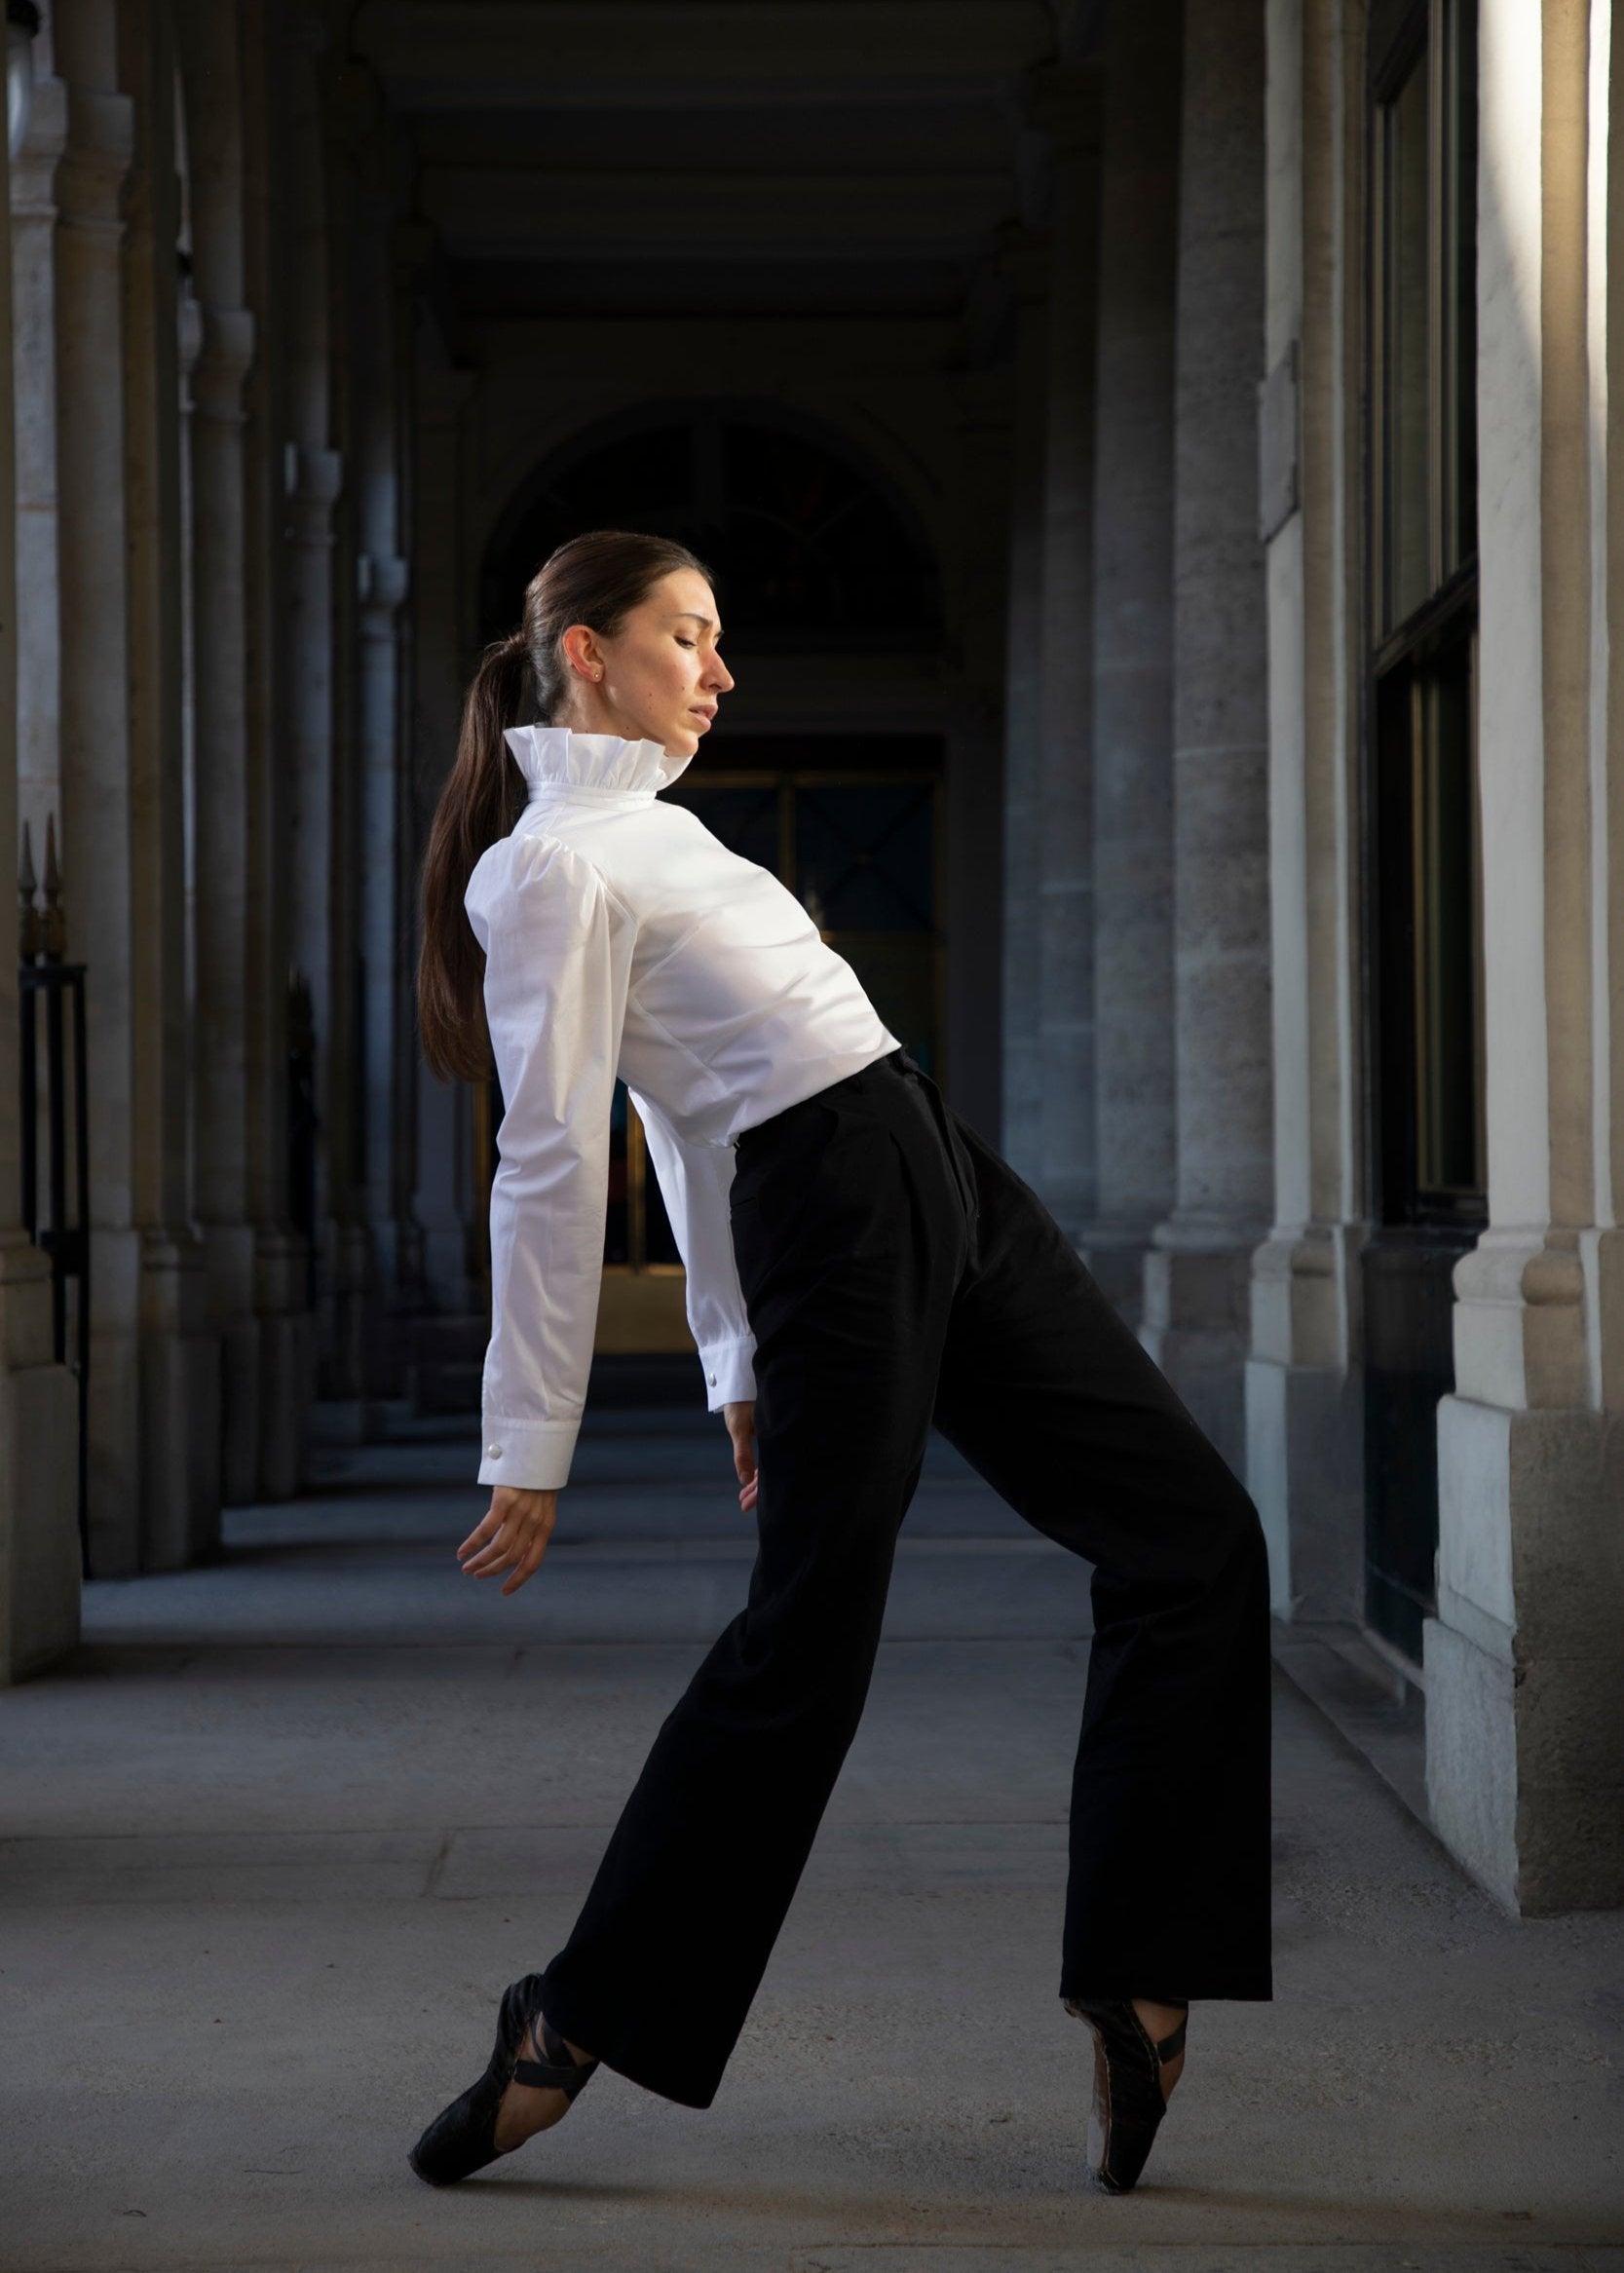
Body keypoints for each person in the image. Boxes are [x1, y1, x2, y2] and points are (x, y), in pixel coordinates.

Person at [407, 528, 1272, 2198]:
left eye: (719, 639)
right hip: (842, 1210)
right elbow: (559, 1151)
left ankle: (1141, 1979)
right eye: (688, 636)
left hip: (930, 1166)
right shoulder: (547, 868)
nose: (720, 671)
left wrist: (730, 1351)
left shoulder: (656, 834)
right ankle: (568, 2019)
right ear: (586, 651)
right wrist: (531, 1437)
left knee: (1196, 1536)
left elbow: (685, 1111)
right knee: (809, 1640)